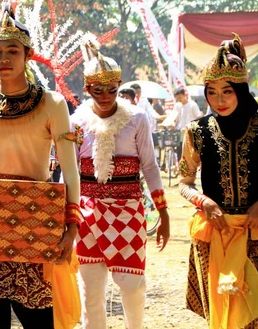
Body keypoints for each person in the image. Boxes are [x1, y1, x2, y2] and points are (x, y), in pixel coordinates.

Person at [0, 7, 82, 329]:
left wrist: (72, 224)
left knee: (40, 318)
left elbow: (69, 166)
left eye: (12, 51)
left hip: (38, 219)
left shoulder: (52, 103)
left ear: (28, 55)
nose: (4, 58)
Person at [179, 34, 258, 329]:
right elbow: (184, 181)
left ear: (240, 90)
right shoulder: (196, 131)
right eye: (212, 92)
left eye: (227, 92)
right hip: (214, 232)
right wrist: (203, 202)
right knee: (224, 316)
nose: (219, 100)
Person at [70, 41, 170, 329]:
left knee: (132, 285)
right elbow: (70, 171)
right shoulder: (76, 122)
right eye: (97, 90)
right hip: (87, 215)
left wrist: (163, 214)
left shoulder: (137, 119)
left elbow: (150, 167)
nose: (105, 97)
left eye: (112, 90)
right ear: (87, 88)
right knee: (90, 292)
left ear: (120, 85)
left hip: (128, 211)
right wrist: (66, 215)